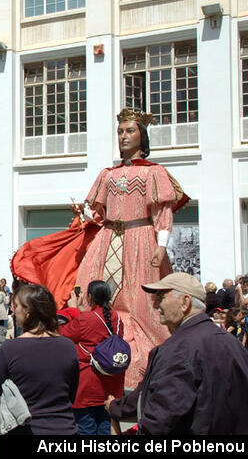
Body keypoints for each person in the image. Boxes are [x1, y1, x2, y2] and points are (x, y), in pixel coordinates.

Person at [12, 108, 189, 388]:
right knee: (89, 292)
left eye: (130, 131)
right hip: (108, 238)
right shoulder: (107, 174)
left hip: (140, 237)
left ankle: (148, 358)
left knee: (141, 299)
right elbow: (100, 215)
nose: (123, 136)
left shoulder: (154, 172)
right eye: (120, 131)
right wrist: (83, 218)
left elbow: (162, 210)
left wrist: (162, 244)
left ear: (142, 136)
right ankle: (90, 345)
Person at [107, 272, 248, 434]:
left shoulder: (177, 350)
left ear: (184, 302)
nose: (155, 305)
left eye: (161, 297)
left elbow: (160, 421)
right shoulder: (232, 343)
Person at [0, 284, 79, 434]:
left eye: (16, 306)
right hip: (64, 428)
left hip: (24, 429)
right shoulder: (68, 346)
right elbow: (72, 393)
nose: (13, 310)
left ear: (28, 312)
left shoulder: (10, 348)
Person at [59, 281, 125, 435]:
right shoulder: (117, 318)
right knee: (106, 428)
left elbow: (64, 333)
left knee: (85, 429)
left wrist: (72, 308)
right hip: (112, 383)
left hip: (87, 383)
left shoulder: (85, 319)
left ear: (89, 297)